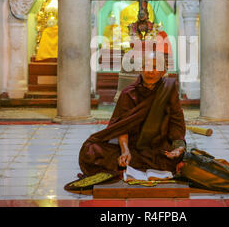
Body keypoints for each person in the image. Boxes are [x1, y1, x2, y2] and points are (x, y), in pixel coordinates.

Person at [78, 48, 186, 177]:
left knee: (176, 158)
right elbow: (122, 127)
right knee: (90, 151)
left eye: (155, 67)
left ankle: (133, 165)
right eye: (146, 66)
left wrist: (178, 148)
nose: (150, 71)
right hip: (133, 147)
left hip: (159, 147)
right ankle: (130, 161)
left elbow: (176, 123)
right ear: (140, 69)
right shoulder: (129, 93)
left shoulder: (169, 90)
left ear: (164, 71)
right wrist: (125, 151)